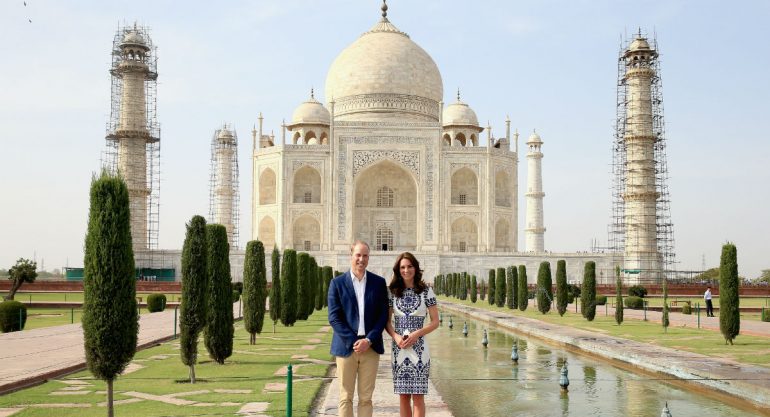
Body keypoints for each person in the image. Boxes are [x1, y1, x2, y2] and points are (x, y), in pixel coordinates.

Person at [327, 240, 389, 417]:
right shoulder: (337, 283)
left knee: (366, 398)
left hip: (370, 347)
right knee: (345, 397)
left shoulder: (378, 283)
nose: (361, 259)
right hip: (347, 347)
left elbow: (382, 316)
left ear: (369, 258)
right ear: (351, 255)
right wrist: (355, 341)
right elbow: (334, 317)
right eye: (358, 255)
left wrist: (368, 340)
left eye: (365, 256)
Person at [385, 252, 439, 417]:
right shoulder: (392, 292)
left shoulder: (426, 291)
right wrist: (395, 336)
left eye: (409, 266)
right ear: (398, 270)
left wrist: (417, 334)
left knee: (417, 396)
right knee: (403, 397)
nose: (406, 270)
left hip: (420, 350)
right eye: (402, 267)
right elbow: (387, 322)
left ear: (415, 268)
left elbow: (435, 321)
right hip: (399, 349)